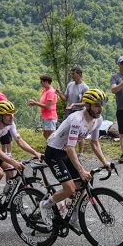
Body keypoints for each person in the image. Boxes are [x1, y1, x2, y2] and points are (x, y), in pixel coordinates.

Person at [37, 88, 116, 231]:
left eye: (101, 105)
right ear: (88, 105)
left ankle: (73, 219)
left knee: (82, 186)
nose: (100, 109)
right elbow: (70, 148)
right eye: (97, 105)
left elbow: (94, 142)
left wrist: (105, 162)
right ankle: (45, 205)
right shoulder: (76, 120)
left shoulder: (98, 120)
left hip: (67, 152)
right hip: (54, 152)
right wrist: (81, 170)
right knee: (70, 189)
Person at [62, 67, 89, 154]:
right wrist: (58, 92)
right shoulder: (70, 85)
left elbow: (85, 103)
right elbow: (65, 98)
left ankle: (80, 152)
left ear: (79, 75)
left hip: (79, 111)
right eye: (71, 74)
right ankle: (66, 149)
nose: (72, 76)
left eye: (73, 74)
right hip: (69, 111)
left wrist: (75, 104)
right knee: (66, 129)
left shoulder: (85, 87)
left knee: (78, 132)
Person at [28, 74, 59, 139]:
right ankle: (49, 147)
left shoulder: (50, 92)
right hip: (45, 116)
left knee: (50, 135)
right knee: (45, 134)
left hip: (50, 116)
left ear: (46, 82)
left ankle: (52, 148)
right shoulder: (45, 90)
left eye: (41, 82)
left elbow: (47, 106)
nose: (40, 83)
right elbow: (43, 103)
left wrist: (35, 103)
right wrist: (35, 102)